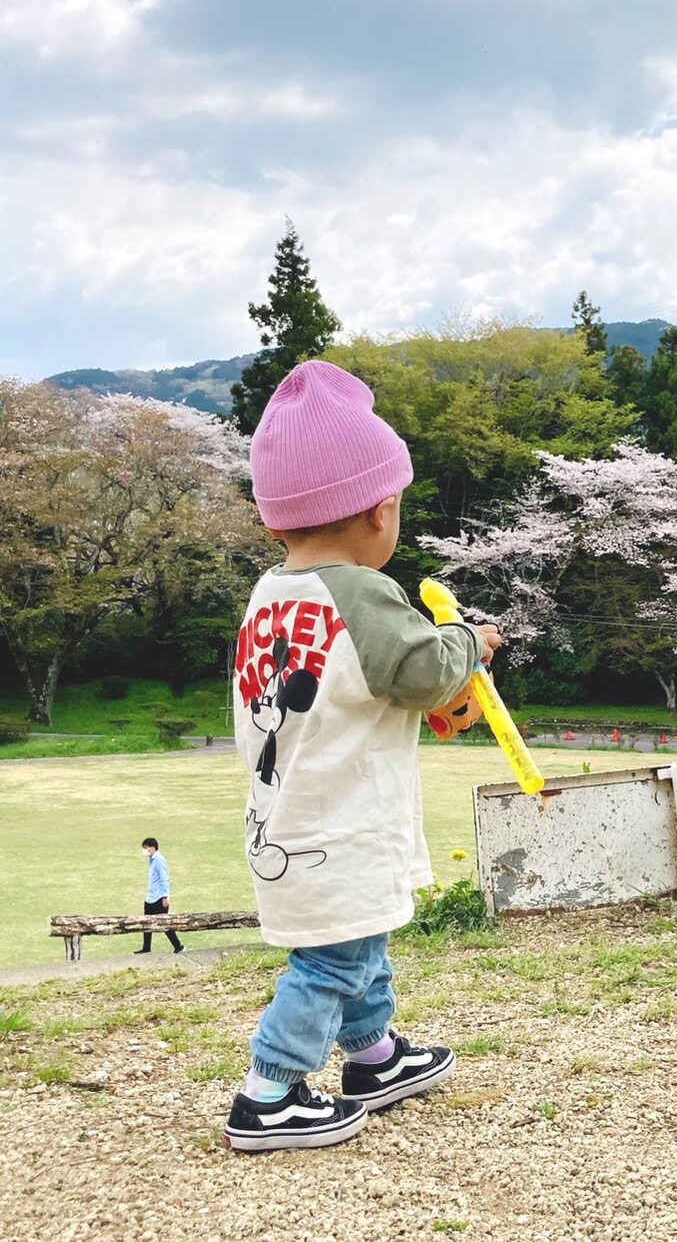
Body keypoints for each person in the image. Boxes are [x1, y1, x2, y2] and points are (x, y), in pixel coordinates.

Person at [224, 360, 501, 1154]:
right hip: (340, 823)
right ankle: (268, 1091)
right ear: (382, 511)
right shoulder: (360, 591)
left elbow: (350, 689)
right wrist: (468, 643)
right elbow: (423, 671)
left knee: (358, 937)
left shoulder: (269, 595)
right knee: (332, 959)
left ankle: (374, 1056)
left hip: (288, 819)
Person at [135, 838, 185, 954]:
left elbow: (164, 879)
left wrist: (165, 896)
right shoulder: (151, 860)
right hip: (150, 898)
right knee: (147, 923)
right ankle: (146, 948)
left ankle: (179, 946)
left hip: (158, 898)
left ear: (152, 847)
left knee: (164, 924)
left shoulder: (160, 860)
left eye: (146, 848)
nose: (145, 851)